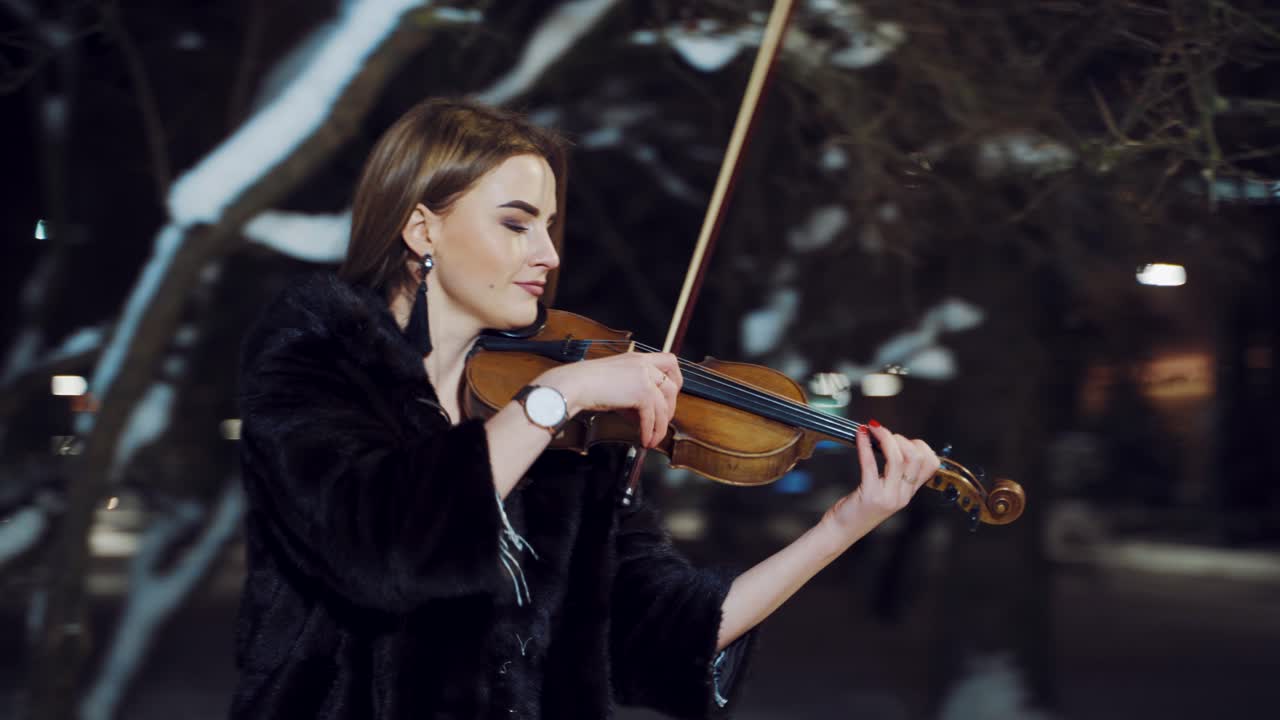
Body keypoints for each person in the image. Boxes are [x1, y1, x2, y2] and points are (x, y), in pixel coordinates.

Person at [229, 98, 940, 719]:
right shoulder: (320, 357)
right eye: (516, 224)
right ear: (423, 231)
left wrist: (843, 527)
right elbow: (381, 554)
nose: (548, 253)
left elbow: (661, 632)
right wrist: (555, 398)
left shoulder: (565, 425)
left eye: (548, 225)